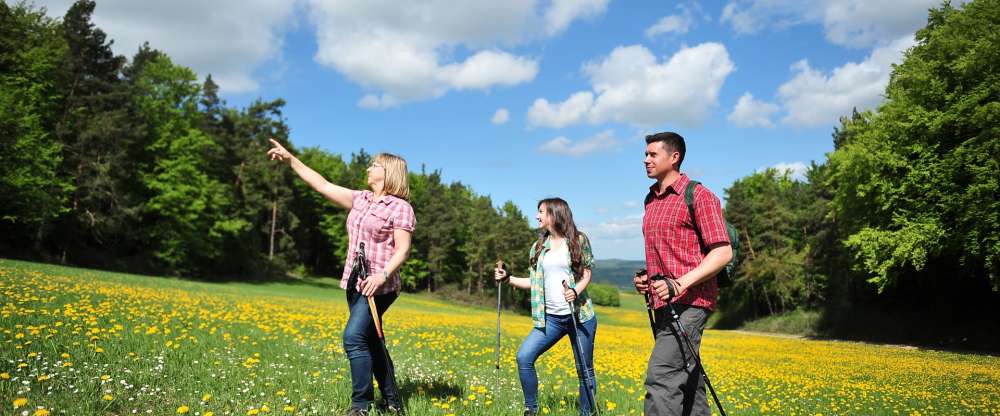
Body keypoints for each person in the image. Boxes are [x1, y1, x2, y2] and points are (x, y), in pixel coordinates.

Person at [267, 139, 415, 416]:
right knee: (372, 340)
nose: (368, 168)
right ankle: (393, 401)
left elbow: (403, 249)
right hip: (355, 282)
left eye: (374, 165)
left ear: (388, 173)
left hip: (380, 287)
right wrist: (290, 159)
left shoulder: (400, 208)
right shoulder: (361, 199)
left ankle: (360, 405)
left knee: (354, 338)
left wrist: (381, 276)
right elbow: (322, 185)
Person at [633, 132, 733, 416]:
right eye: (645, 154)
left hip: (692, 302)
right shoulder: (651, 199)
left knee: (662, 378)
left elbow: (723, 252)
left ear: (674, 157)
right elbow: (669, 252)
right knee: (690, 382)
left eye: (653, 154)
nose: (646, 159)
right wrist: (648, 278)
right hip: (664, 303)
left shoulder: (699, 195)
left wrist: (679, 284)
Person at [494, 197, 599, 416]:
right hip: (551, 319)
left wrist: (575, 291)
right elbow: (534, 282)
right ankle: (531, 410)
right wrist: (508, 278)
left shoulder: (578, 240)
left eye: (541, 211)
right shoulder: (539, 247)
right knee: (524, 357)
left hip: (580, 316)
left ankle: (586, 413)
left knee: (584, 370)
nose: (537, 216)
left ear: (555, 213)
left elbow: (587, 273)